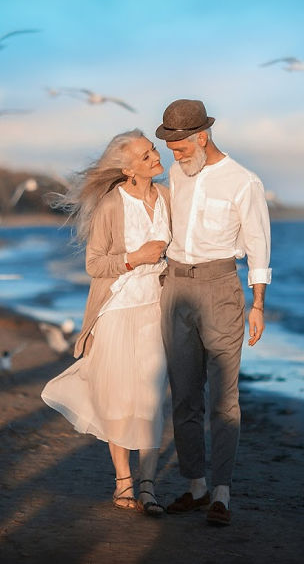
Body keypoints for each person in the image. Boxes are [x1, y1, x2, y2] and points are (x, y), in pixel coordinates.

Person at [41, 129, 171, 517]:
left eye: (153, 150)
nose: (155, 157)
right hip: (116, 311)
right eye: (145, 156)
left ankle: (148, 486)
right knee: (119, 399)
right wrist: (136, 257)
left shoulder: (168, 198)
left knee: (150, 400)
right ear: (128, 169)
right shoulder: (111, 205)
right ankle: (123, 481)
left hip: (157, 310)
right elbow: (95, 264)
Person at [155, 99, 272, 526]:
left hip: (221, 288)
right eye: (170, 148)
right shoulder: (176, 174)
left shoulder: (244, 182)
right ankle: (196, 486)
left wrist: (258, 305)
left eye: (180, 147)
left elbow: (258, 245)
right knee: (184, 395)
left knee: (224, 398)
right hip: (175, 287)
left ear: (201, 137)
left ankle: (222, 492)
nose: (174, 156)